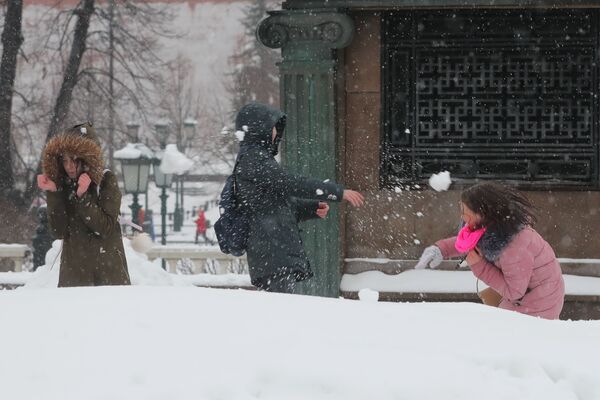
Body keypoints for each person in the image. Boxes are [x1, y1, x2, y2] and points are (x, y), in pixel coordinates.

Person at [233, 102, 365, 293]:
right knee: (281, 314)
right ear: (258, 129)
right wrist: (336, 192)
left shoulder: (258, 159)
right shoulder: (254, 160)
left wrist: (311, 208)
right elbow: (291, 183)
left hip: (275, 254)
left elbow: (277, 204)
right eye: (271, 128)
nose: (275, 133)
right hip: (272, 254)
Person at [415, 182, 564, 319]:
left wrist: (479, 265)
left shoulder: (514, 246)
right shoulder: (496, 228)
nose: (462, 216)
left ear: (482, 213)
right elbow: (470, 242)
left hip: (538, 308)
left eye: (465, 210)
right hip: (528, 296)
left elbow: (514, 292)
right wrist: (441, 249)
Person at [37, 122, 131, 287]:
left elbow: (105, 227)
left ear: (87, 158)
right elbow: (58, 230)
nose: (69, 167)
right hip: (73, 279)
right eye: (65, 161)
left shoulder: (106, 180)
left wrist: (83, 196)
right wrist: (54, 192)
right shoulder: (63, 185)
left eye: (74, 160)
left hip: (107, 279)